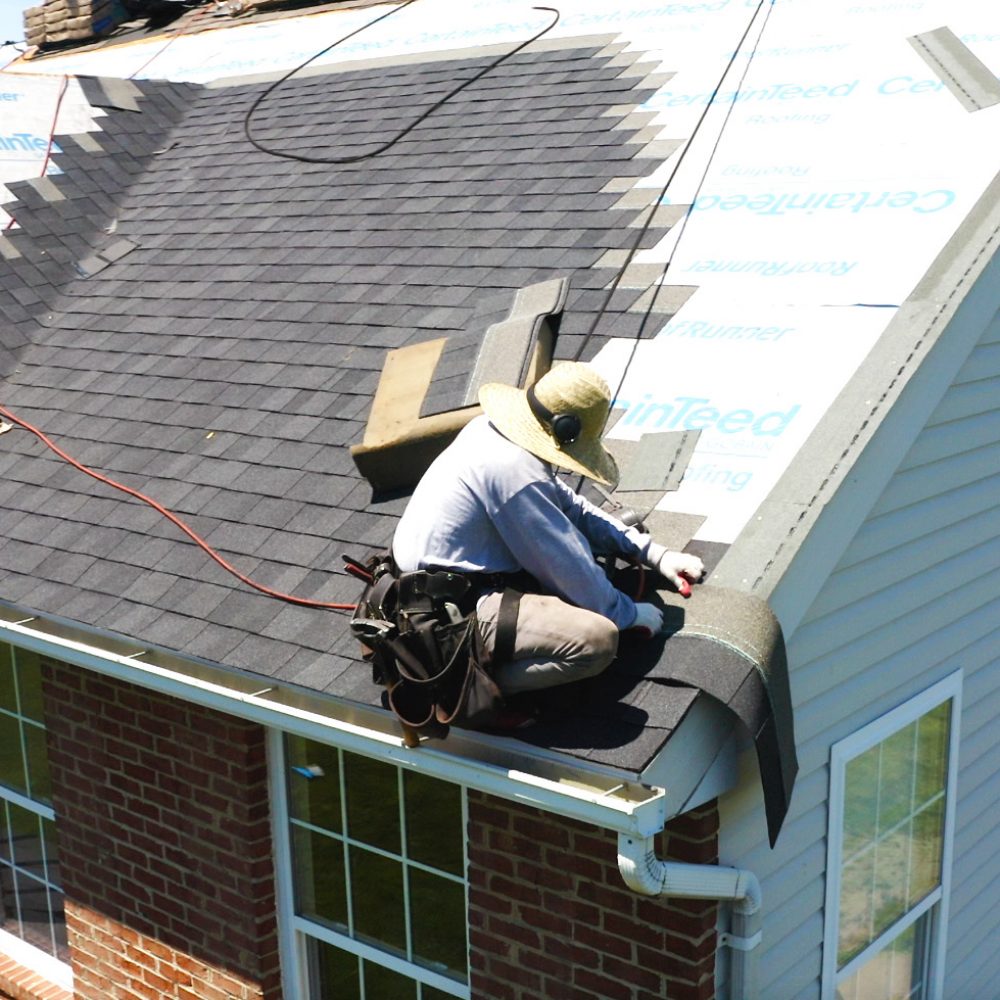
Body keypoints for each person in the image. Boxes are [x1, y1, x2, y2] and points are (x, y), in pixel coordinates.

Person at [391, 361, 705, 697]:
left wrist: (653, 553)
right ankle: (463, 684)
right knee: (597, 641)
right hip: (448, 615)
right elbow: (569, 567)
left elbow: (571, 507)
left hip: (430, 589)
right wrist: (627, 614)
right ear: (565, 429)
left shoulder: (489, 429)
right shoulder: (511, 470)